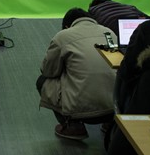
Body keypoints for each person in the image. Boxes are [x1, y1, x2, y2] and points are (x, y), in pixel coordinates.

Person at [36, 8, 116, 140]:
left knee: (42, 81)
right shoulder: (109, 33)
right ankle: (109, 125)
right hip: (113, 108)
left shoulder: (63, 36)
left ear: (67, 26)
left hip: (81, 112)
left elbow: (48, 71)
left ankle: (73, 127)